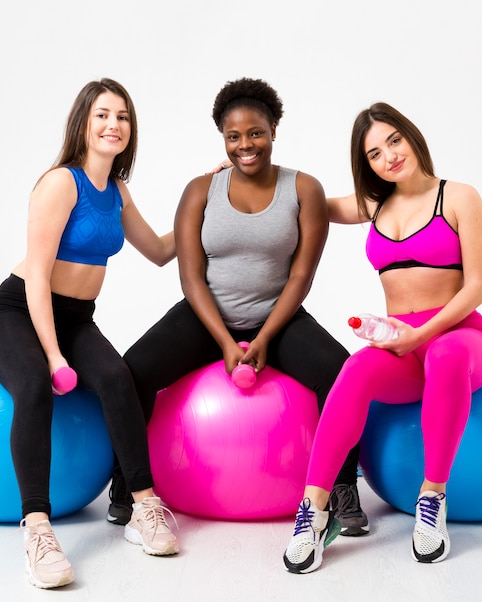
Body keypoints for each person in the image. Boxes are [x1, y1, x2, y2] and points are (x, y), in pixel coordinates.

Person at [107, 77, 367, 535]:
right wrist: (226, 341)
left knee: (341, 373)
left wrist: (264, 336)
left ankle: (343, 488)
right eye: (233, 136)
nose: (245, 145)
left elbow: (301, 277)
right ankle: (127, 482)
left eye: (255, 133)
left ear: (273, 131)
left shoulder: (303, 188)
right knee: (133, 370)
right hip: (207, 316)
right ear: (222, 139)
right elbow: (190, 278)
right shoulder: (200, 190)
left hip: (278, 317)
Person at [0, 78, 179, 589]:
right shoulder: (60, 183)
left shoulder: (117, 191)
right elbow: (38, 277)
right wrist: (53, 356)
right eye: (103, 115)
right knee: (31, 385)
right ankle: (38, 530)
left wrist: (205, 201)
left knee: (118, 377)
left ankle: (143, 505)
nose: (114, 125)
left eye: (123, 117)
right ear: (84, 124)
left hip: (75, 317)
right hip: (17, 311)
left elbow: (157, 250)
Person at [283, 102, 482, 574]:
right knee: (356, 367)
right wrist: (241, 168)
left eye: (394, 141)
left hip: (461, 338)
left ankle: (432, 499)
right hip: (404, 344)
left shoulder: (459, 196)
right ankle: (313, 511)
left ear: (411, 136)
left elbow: (478, 286)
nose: (389, 157)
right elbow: (305, 198)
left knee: (443, 354)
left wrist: (423, 332)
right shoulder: (374, 204)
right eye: (375, 154)